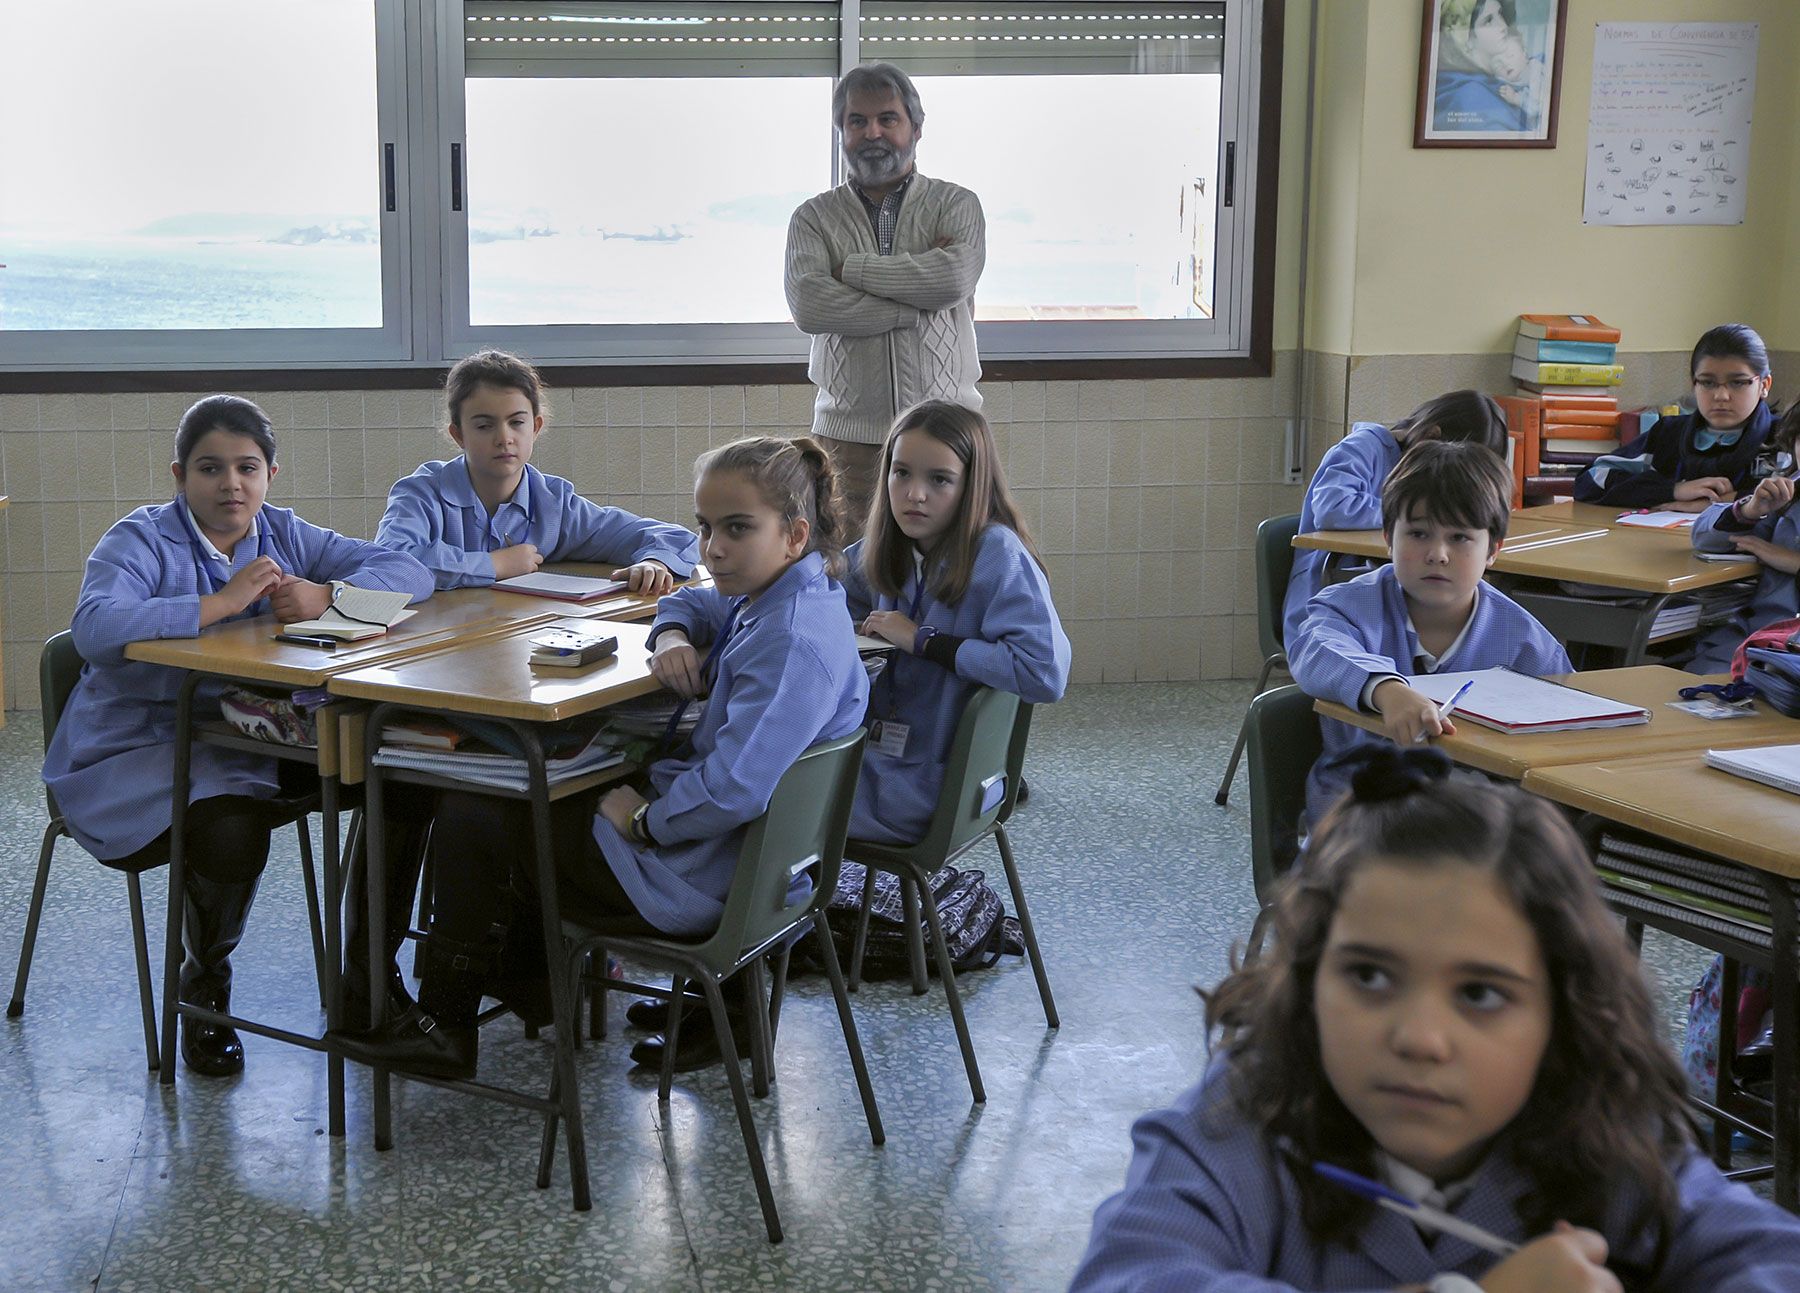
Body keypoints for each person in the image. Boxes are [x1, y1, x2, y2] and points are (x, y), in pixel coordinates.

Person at [1070, 747, 1800, 1291]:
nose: (1418, 1037)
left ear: (1562, 1014)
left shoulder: (1604, 1126)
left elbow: (1768, 1257)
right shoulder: (1245, 1117)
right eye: (1368, 975)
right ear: (1309, 981)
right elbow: (1128, 1274)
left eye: (1481, 994)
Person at [334, 436, 869, 1079]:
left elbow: (730, 793)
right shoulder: (791, 592)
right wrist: (671, 631)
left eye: (736, 529)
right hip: (749, 865)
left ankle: (449, 1028)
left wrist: (645, 820)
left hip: (701, 873)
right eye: (704, 528)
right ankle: (700, 1004)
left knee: (473, 812)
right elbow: (694, 597)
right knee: (550, 789)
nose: (713, 549)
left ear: (794, 534)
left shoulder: (789, 640)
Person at [41, 395, 434, 1076]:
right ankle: (205, 985)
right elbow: (95, 630)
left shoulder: (280, 531)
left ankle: (365, 978)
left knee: (398, 775)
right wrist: (218, 605)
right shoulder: (139, 538)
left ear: (271, 474)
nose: (231, 484)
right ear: (179, 475)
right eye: (210, 468)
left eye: (247, 467)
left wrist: (327, 594)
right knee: (231, 828)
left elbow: (409, 571)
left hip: (247, 733)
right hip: (135, 746)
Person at [1287, 440, 1570, 826]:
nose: (1438, 553)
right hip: (1360, 809)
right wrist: (1386, 691)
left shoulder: (1523, 639)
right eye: (1419, 534)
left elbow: (1568, 722)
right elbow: (1315, 649)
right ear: (1389, 538)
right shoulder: (1346, 607)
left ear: (1493, 550)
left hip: (1473, 813)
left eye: (1459, 538)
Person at [843, 400, 1069, 843]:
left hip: (937, 787)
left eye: (939, 479)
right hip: (885, 760)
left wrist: (924, 642)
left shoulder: (996, 554)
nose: (914, 494)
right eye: (901, 472)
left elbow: (1045, 673)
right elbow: (819, 591)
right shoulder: (886, 546)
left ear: (972, 486)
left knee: (770, 800)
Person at [784, 62, 985, 531]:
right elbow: (809, 305)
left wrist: (852, 270)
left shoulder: (957, 205)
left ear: (915, 127)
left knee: (951, 578)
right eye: (857, 121)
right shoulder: (812, 218)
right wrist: (910, 305)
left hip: (948, 435)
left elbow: (952, 280)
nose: (872, 132)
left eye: (887, 119)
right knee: (845, 576)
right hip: (845, 442)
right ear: (842, 131)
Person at [377, 349, 699, 592]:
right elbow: (390, 563)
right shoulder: (420, 494)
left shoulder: (554, 503)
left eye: (517, 422)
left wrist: (655, 562)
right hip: (436, 652)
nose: (504, 438)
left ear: (536, 427)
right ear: (458, 434)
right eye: (484, 425)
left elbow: (677, 538)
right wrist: (493, 564)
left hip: (525, 648)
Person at [1283, 391, 1509, 648]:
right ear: (1431, 437)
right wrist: (1408, 512)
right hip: (1326, 603)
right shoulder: (1364, 446)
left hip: (1394, 604)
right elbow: (1332, 507)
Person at [1575, 324, 1777, 510]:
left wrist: (1729, 501)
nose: (1721, 396)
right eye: (1707, 383)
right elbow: (1590, 479)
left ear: (1764, 385)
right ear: (1693, 384)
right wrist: (1673, 491)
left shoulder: (1784, 437)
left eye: (1738, 383)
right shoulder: (1669, 433)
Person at [1688, 401, 1800, 673]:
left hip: (1789, 653)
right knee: (1689, 687)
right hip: (1759, 641)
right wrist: (1748, 511)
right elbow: (1704, 539)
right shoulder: (1788, 499)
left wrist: (1794, 561)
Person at [1432, 0, 1535, 133]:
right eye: (1488, 21)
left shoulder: (1507, 74)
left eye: (1500, 14)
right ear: (1465, 37)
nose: (1503, 26)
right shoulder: (1471, 96)